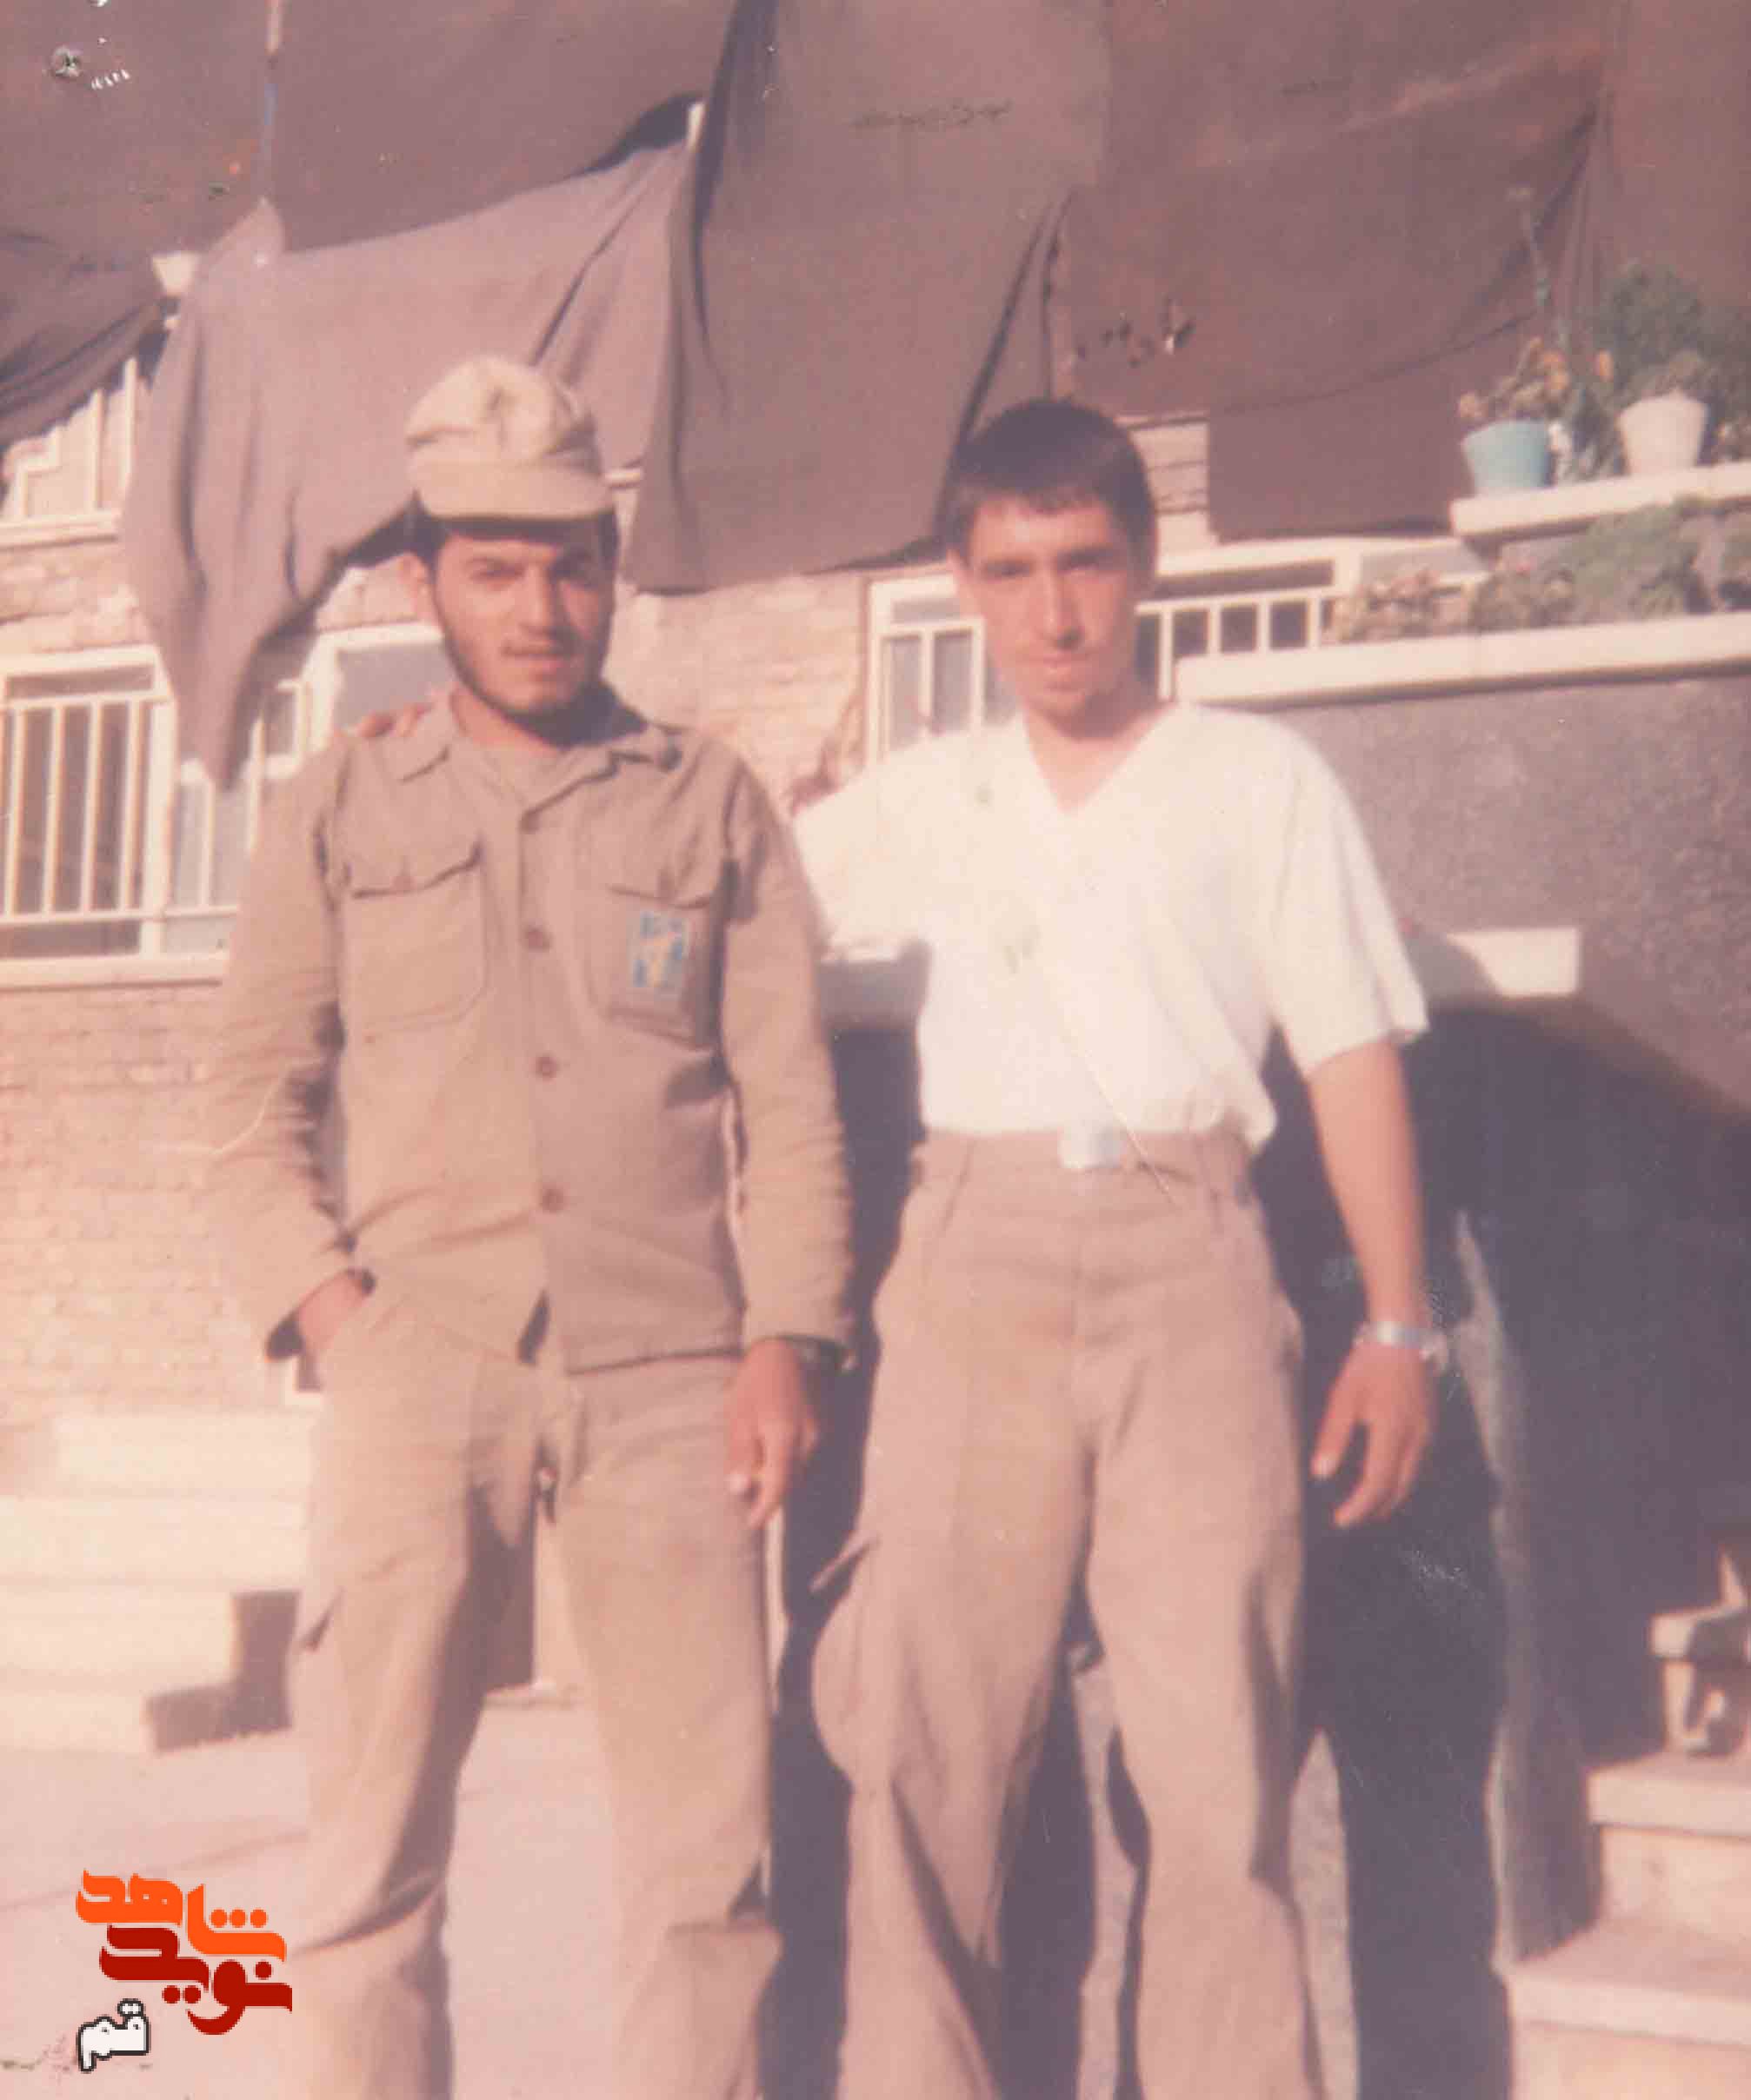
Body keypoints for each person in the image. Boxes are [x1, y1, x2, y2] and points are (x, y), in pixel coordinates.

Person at [205, 356, 852, 2100]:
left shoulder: (704, 800)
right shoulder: (342, 803)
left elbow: (790, 1101)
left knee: (703, 1865)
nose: (537, 606)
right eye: (492, 568)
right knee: (366, 1860)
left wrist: (785, 1334)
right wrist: (337, 1319)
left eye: (569, 563)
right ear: (424, 583)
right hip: (419, 1360)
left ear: (613, 570)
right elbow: (249, 1107)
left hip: (673, 1372)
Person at [793, 398, 1438, 2100]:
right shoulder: (915, 799)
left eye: (1083, 562)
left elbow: (1348, 1053)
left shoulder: (1257, 781)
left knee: (1217, 1765)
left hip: (1187, 1255)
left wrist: (1397, 1327)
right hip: (970, 1261)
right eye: (1010, 572)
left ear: (1144, 563)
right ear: (960, 584)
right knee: (922, 1754)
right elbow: (721, 923)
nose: (1053, 611)